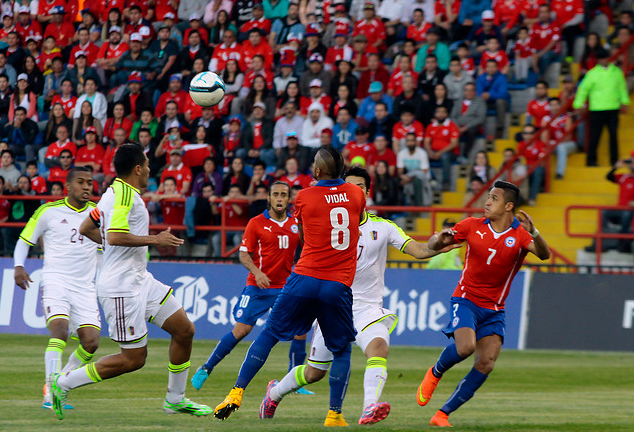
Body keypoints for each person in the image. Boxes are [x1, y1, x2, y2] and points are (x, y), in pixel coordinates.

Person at [259, 167, 457, 425]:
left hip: (368, 309)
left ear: (367, 192)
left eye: (359, 187)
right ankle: (273, 393)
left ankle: (369, 407)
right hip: (332, 306)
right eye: (347, 186)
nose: (352, 191)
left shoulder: (383, 227)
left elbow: (418, 249)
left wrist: (437, 246)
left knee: (379, 348)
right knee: (314, 372)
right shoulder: (327, 226)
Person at [50, 144, 211, 419]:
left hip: (140, 279)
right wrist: (155, 239)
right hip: (121, 288)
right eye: (147, 164)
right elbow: (114, 236)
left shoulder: (112, 192)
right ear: (138, 169)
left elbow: (87, 227)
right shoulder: (124, 195)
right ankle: (63, 382)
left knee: (184, 330)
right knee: (133, 359)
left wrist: (113, 249)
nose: (150, 169)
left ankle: (175, 399)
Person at [213, 147, 365, 426]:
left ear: (317, 172)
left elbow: (304, 234)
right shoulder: (357, 194)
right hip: (337, 284)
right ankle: (334, 414)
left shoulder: (305, 196)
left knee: (270, 333)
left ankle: (236, 392)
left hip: (304, 278)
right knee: (341, 350)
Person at [416, 180, 550, 427]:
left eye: (494, 198)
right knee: (465, 348)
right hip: (466, 299)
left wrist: (535, 233)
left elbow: (544, 254)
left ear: (509, 206)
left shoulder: (520, 234)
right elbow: (434, 245)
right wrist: (439, 238)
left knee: (487, 363)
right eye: (488, 197)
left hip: (495, 309)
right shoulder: (471, 225)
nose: (487, 202)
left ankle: (442, 414)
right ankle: (435, 372)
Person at [191, 181, 311, 389]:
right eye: (276, 194)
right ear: (269, 198)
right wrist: (257, 272)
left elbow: (309, 246)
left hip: (285, 287)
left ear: (289, 199)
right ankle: (206, 367)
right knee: (241, 330)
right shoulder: (256, 223)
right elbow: (244, 254)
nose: (280, 198)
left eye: (284, 194)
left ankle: (296, 382)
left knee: (301, 330)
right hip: (258, 287)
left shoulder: (295, 224)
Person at [14, 167, 101, 410]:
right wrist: (19, 266)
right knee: (60, 332)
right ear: (68, 186)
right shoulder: (49, 211)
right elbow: (24, 240)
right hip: (56, 282)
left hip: (85, 287)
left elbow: (107, 249)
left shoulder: (98, 213)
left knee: (91, 343)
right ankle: (50, 390)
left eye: (90, 183)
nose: (86, 186)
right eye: (81, 182)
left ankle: (60, 381)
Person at [573, 49, 629, 167]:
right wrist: (578, 104)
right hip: (597, 109)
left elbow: (622, 88)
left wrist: (625, 102)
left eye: (605, 58)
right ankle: (591, 160)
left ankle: (614, 160)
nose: (603, 60)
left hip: (613, 108)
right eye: (601, 58)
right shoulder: (592, 73)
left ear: (608, 58)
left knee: (613, 135)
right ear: (598, 60)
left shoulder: (616, 72)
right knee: (594, 136)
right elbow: (583, 89)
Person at [586, 157, 634, 253]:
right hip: (619, 210)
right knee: (603, 212)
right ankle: (601, 241)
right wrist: (615, 167)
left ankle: (623, 244)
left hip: (630, 213)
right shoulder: (624, 177)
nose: (630, 164)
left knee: (627, 214)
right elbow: (609, 176)